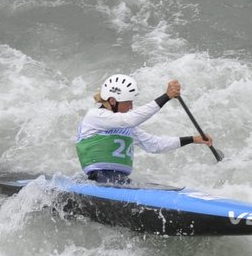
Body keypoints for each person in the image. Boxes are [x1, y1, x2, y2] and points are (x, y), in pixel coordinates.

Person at [75, 73, 212, 184]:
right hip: (97, 180)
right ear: (112, 101)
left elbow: (154, 145)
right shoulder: (95, 116)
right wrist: (166, 96)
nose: (131, 107)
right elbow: (131, 119)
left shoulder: (127, 127)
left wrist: (193, 139)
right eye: (128, 103)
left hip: (121, 182)